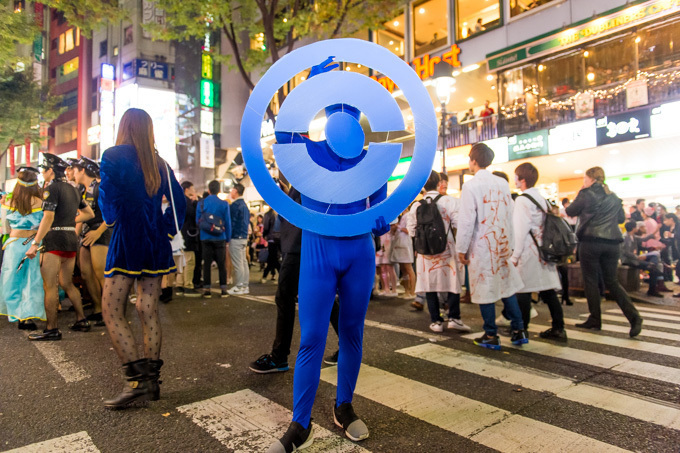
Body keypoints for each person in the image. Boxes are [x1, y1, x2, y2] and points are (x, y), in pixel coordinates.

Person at [267, 57, 390, 452]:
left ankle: (344, 406)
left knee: (352, 332)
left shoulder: (374, 158)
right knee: (313, 337)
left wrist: (381, 220)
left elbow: (381, 206)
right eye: (338, 103)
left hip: (359, 250)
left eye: (351, 104)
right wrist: (308, 85)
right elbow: (283, 134)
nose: (346, 111)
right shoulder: (307, 151)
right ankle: (299, 423)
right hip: (319, 247)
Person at [98, 108, 185, 409]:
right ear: (148, 129)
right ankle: (152, 383)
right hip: (155, 242)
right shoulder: (159, 162)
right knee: (148, 309)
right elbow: (179, 200)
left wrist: (111, 220)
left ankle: (135, 382)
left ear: (124, 126)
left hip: (127, 240)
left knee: (110, 308)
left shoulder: (113, 155)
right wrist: (167, 228)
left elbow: (107, 199)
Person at [249, 184, 341, 374]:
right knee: (324, 297)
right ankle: (348, 345)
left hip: (300, 242)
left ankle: (279, 356)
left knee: (285, 297)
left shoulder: (306, 170)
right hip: (306, 241)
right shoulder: (306, 173)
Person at [456, 143, 526, 350]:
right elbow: (508, 214)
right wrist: (511, 244)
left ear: (474, 161)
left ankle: (490, 334)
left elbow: (467, 221)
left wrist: (462, 249)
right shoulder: (502, 183)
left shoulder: (470, 186)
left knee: (484, 288)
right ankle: (518, 329)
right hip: (501, 243)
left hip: (482, 245)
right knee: (506, 286)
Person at [565, 166, 643, 337]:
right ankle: (634, 317)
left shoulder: (586, 193)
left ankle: (595, 319)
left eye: (585, 179)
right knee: (612, 281)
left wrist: (580, 192)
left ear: (591, 179)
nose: (584, 182)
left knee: (591, 281)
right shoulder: (613, 197)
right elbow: (621, 219)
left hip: (591, 242)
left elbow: (570, 211)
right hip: (613, 243)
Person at [26, 153, 94, 341]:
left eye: (43, 170)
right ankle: (82, 320)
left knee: (50, 286)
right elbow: (89, 213)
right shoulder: (72, 189)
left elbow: (47, 217)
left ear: (50, 171)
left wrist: (35, 244)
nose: (41, 173)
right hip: (70, 240)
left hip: (54, 239)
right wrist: (70, 222)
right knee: (67, 282)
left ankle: (52, 329)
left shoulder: (52, 188)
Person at [407, 171, 470, 333]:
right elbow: (460, 225)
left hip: (425, 251)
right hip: (446, 249)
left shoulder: (416, 206)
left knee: (429, 284)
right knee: (452, 281)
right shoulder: (450, 201)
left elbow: (411, 231)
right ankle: (454, 318)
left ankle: (436, 321)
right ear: (438, 183)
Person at [511, 163, 566, 341]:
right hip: (543, 251)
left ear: (522, 180)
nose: (514, 179)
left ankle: (521, 329)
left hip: (529, 252)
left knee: (523, 291)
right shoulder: (541, 198)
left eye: (516, 176)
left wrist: (515, 256)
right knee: (548, 291)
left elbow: (520, 231)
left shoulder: (522, 200)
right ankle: (559, 328)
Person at [0, 167, 45, 330]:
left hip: (13, 245)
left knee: (12, 279)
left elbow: (3, 228)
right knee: (32, 280)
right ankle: (27, 316)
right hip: (35, 244)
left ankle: (15, 313)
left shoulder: (8, 202)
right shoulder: (40, 202)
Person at [73, 156, 110, 326]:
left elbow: (112, 213)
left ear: (82, 171)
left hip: (102, 232)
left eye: (74, 169)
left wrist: (98, 232)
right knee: (86, 273)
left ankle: (110, 312)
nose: (71, 172)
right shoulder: (82, 190)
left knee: (101, 273)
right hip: (87, 233)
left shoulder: (101, 187)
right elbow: (81, 217)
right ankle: (97, 309)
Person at [197, 180, 231, 298]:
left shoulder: (201, 203)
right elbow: (227, 222)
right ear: (219, 190)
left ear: (209, 190)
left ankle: (207, 290)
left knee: (206, 264)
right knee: (221, 264)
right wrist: (228, 237)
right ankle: (223, 289)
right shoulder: (224, 204)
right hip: (220, 237)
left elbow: (198, 221)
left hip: (205, 237)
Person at [621, 220, 663, 297]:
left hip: (635, 258)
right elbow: (625, 252)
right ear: (633, 228)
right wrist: (637, 257)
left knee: (654, 257)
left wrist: (652, 234)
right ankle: (652, 290)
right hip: (629, 260)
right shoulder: (625, 237)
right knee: (654, 269)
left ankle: (652, 265)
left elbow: (643, 239)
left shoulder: (632, 236)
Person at [177, 181, 200, 297]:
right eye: (192, 188)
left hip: (182, 235)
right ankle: (188, 285)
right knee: (190, 261)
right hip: (188, 235)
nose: (193, 190)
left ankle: (180, 284)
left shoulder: (180, 200)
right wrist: (195, 203)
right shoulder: (186, 202)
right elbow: (193, 214)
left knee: (183, 261)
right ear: (187, 189)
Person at [228, 183, 251, 295]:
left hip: (236, 237)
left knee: (238, 263)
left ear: (236, 191)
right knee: (243, 262)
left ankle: (239, 286)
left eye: (231, 190)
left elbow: (231, 223)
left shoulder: (235, 205)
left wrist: (228, 237)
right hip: (244, 237)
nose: (230, 192)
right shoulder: (245, 205)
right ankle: (245, 286)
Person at [391, 208, 416, 299]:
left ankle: (412, 292)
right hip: (399, 244)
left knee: (408, 268)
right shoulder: (401, 217)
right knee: (403, 269)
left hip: (405, 245)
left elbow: (409, 230)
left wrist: (398, 227)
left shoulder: (409, 215)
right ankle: (407, 291)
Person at [262, 207, 281, 283]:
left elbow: (266, 227)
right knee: (275, 257)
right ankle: (271, 274)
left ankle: (265, 276)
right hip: (280, 239)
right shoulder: (280, 212)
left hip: (271, 238)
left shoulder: (268, 214)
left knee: (272, 258)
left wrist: (264, 235)